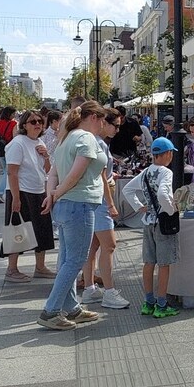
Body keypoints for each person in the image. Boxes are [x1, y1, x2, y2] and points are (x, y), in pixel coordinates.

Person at [38, 102, 110, 331]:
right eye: (102, 120)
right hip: (79, 204)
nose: (103, 125)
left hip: (66, 205)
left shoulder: (66, 138)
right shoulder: (86, 138)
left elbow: (53, 173)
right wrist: (56, 193)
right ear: (94, 117)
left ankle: (71, 308)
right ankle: (51, 311)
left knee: (66, 259)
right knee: (76, 260)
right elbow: (76, 174)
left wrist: (52, 194)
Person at [122, 137, 181, 319]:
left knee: (149, 263)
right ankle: (161, 305)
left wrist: (139, 206)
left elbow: (127, 189)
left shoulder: (146, 172)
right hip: (163, 224)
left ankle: (148, 302)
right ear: (167, 154)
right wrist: (171, 209)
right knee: (164, 265)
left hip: (147, 222)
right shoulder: (166, 172)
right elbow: (163, 194)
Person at [80, 110, 129, 310]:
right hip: (100, 198)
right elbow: (100, 176)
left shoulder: (93, 141)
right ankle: (109, 291)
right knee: (109, 246)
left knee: (92, 247)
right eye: (115, 125)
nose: (117, 130)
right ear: (102, 122)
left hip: (93, 198)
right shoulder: (98, 142)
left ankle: (90, 288)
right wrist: (110, 204)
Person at [1, 110, 55, 283]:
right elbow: (12, 172)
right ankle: (12, 269)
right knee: (18, 229)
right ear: (24, 125)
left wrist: (46, 156)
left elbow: (47, 170)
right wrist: (16, 198)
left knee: (42, 229)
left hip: (38, 190)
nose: (37, 124)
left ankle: (40, 267)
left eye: (40, 121)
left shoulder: (39, 142)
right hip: (22, 191)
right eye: (33, 122)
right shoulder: (18, 143)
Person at [0, 106, 17, 202]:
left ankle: (6, 192)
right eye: (13, 114)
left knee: (5, 171)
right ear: (9, 114)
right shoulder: (13, 123)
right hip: (9, 149)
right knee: (8, 172)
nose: (14, 115)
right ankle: (0, 192)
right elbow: (15, 137)